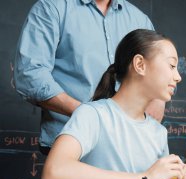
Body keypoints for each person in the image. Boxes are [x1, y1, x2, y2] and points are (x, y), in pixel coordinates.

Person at [41, 29, 186, 179]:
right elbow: (54, 172)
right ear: (140, 64)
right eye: (172, 65)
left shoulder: (159, 132)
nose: (178, 77)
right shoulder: (92, 115)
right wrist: (144, 178)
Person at [13, 0, 165, 153]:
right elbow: (31, 74)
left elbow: (158, 71)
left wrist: (158, 99)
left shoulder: (139, 19)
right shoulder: (51, 8)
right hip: (74, 143)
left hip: (130, 145)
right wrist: (90, 116)